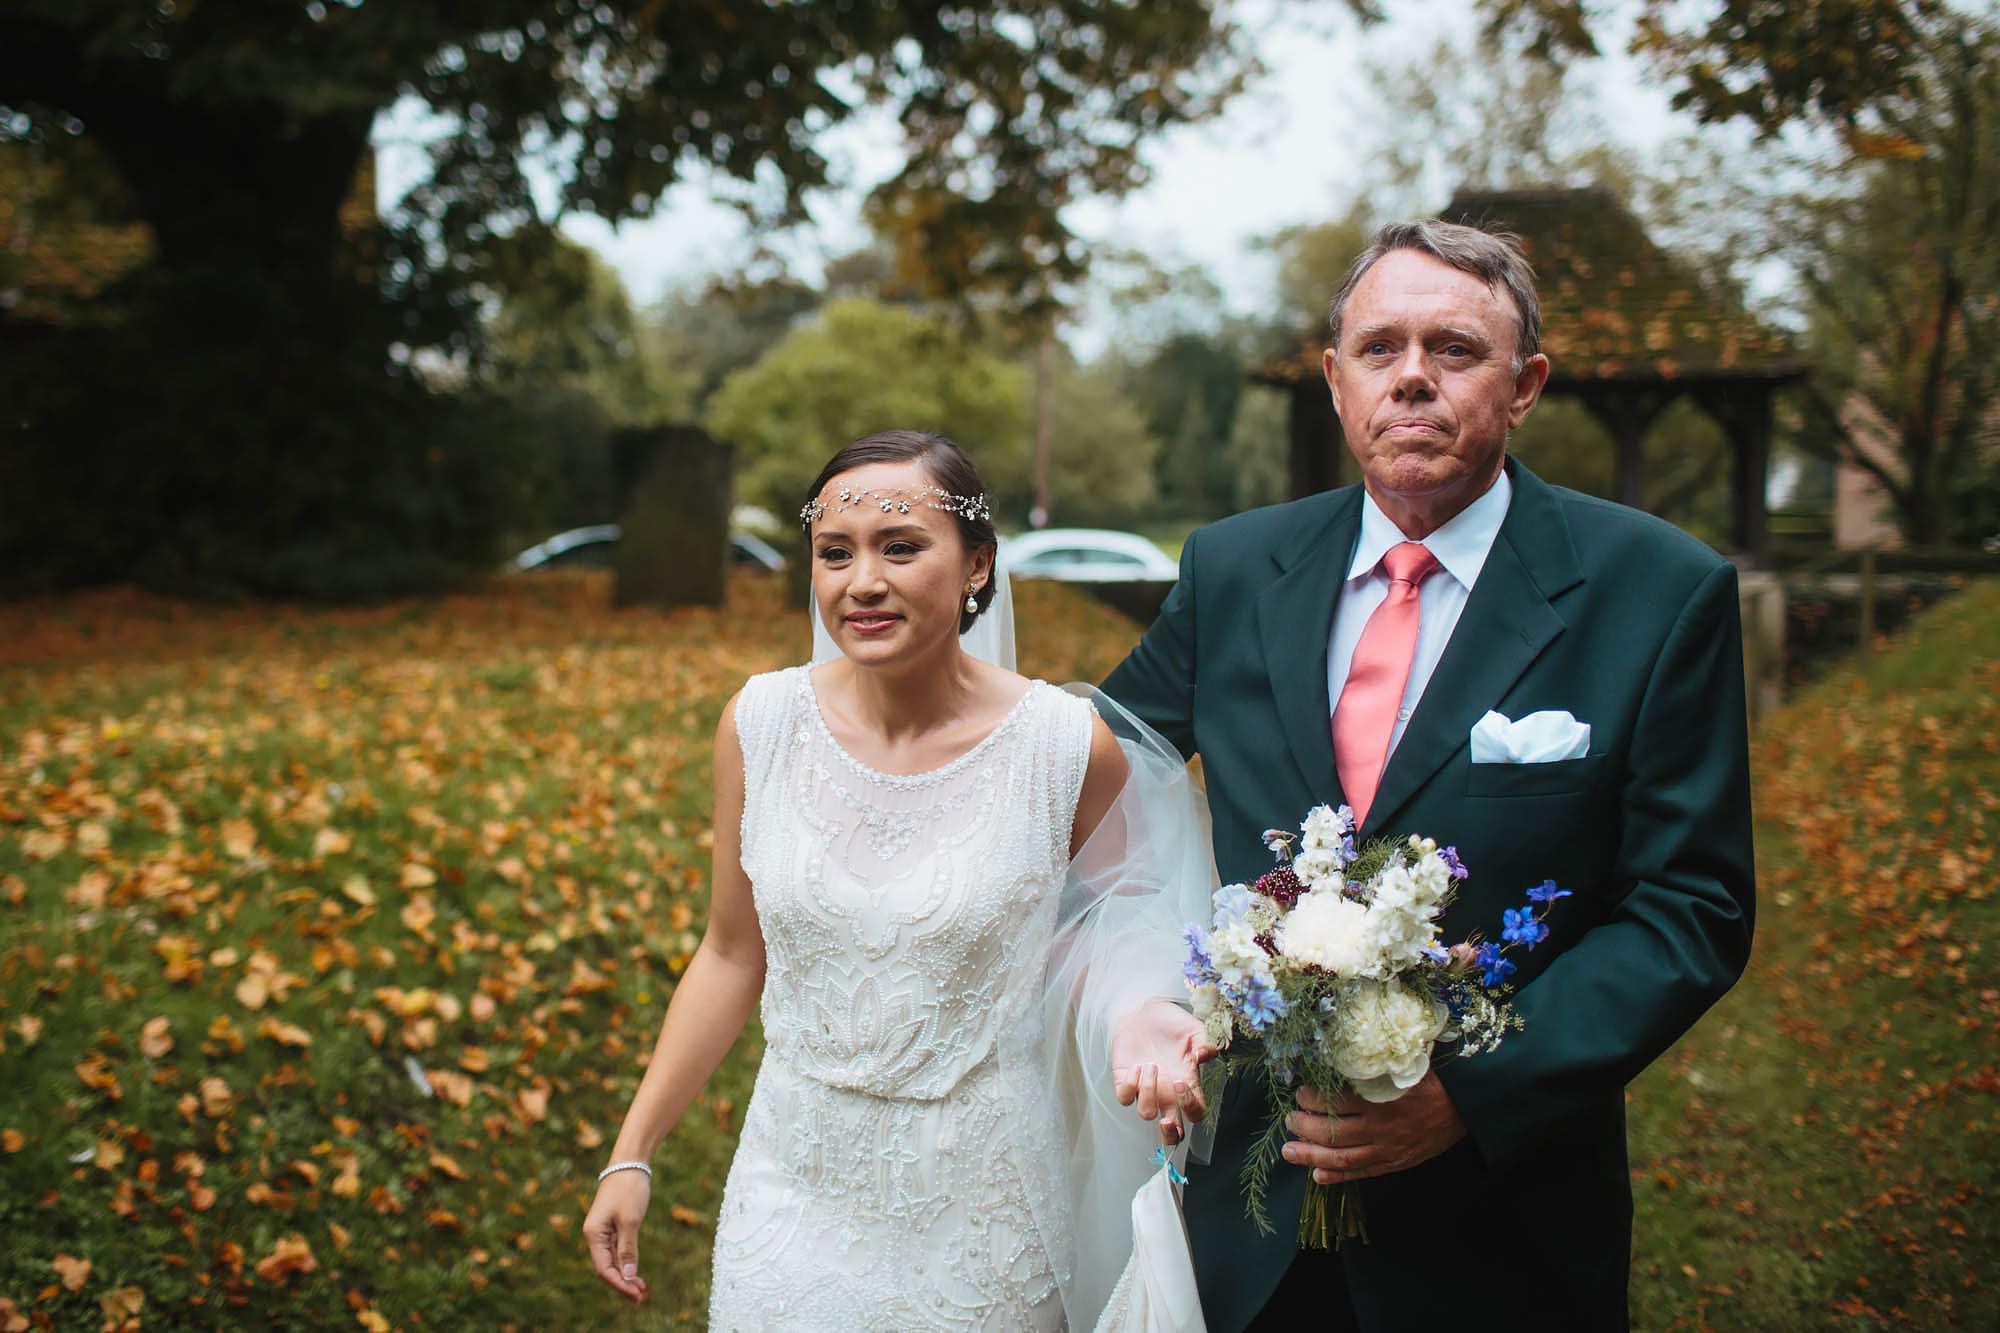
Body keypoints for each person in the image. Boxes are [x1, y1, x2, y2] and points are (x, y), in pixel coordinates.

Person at [1101, 220, 1756, 1331]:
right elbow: (1099, 777)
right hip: (1250, 1205)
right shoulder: (1231, 567)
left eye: (1453, 350)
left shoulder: (1656, 590)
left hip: (1501, 1224)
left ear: (1524, 385)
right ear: (1334, 379)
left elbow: (1690, 906)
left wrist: (1470, 1093)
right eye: (1378, 348)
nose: (1410, 377)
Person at [583, 429, 1218, 1329]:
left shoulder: (1062, 746)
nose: (862, 582)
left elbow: (1127, 924)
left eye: (902, 547)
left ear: (976, 567)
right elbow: (729, 954)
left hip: (983, 1214)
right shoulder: (759, 724)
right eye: (834, 553)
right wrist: (633, 1150)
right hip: (791, 1190)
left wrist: (1146, 1016)